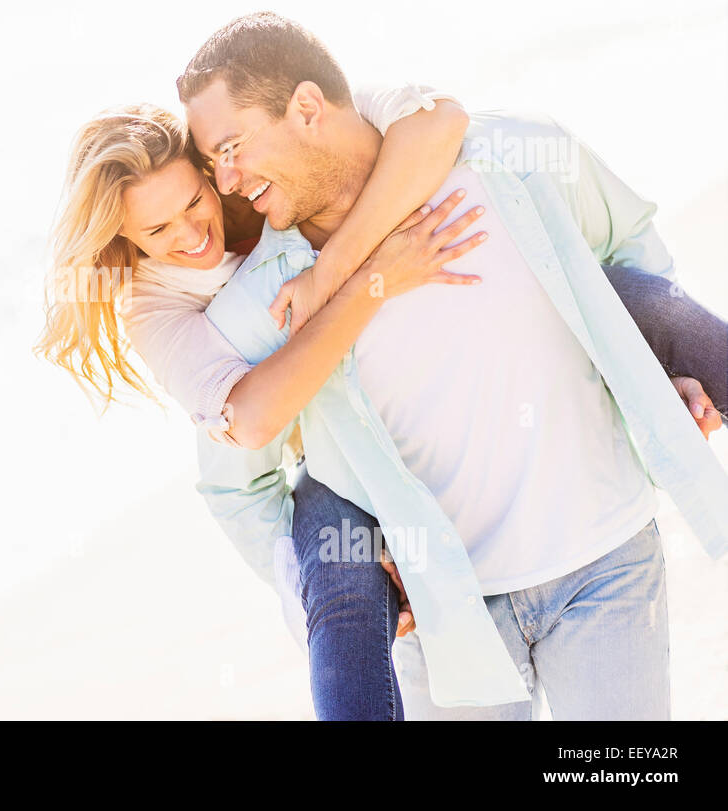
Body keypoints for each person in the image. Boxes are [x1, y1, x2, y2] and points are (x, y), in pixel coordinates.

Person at [37, 80, 725, 718]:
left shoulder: (267, 167)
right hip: (327, 450)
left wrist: (644, 381)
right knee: (338, 582)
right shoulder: (157, 309)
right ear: (124, 242)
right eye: (157, 232)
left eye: (194, 201)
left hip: (547, 499)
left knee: (637, 302)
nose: (192, 234)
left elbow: (438, 119)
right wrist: (370, 282)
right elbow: (248, 427)